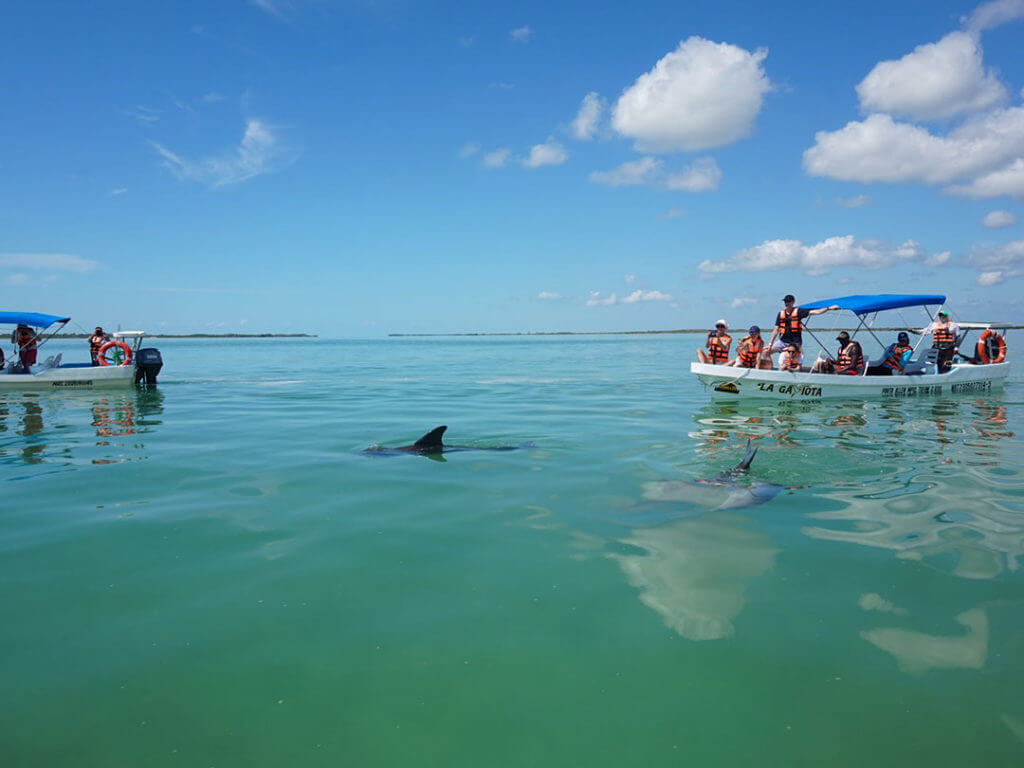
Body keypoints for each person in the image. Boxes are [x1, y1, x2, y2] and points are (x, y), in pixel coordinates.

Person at [767, 294, 840, 362]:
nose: (786, 303)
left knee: (789, 355)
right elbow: (775, 330)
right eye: (785, 301)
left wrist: (828, 308)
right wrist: (770, 344)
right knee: (766, 352)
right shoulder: (780, 314)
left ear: (793, 302)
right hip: (783, 341)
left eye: (788, 301)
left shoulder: (799, 312)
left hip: (795, 342)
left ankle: (794, 368)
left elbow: (816, 312)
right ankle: (769, 369)